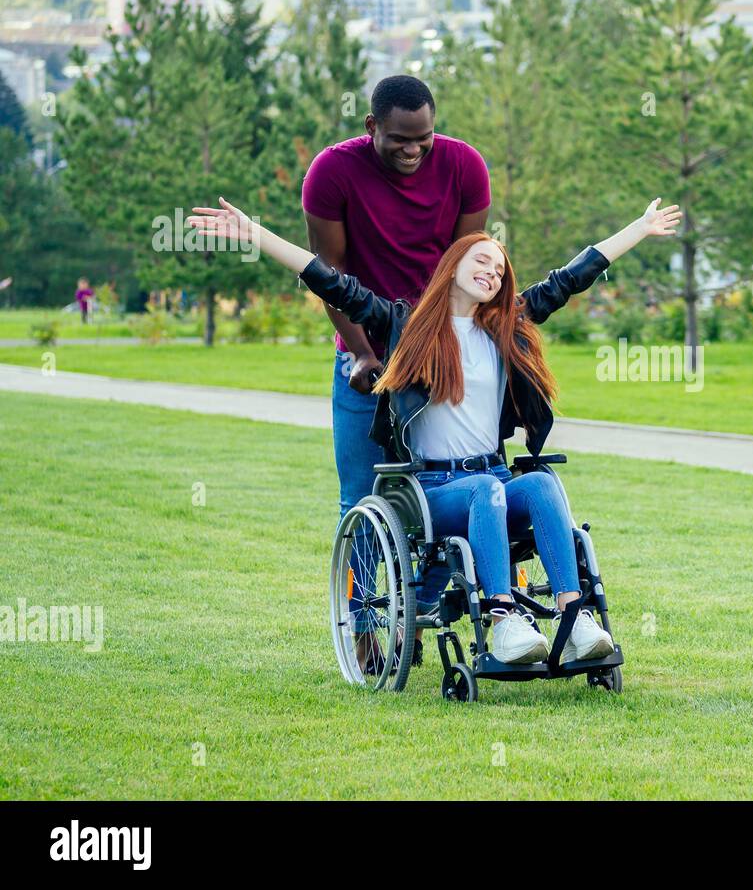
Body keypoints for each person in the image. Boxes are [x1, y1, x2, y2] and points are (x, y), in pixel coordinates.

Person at [188, 195, 682, 667]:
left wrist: (638, 230)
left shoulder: (506, 325)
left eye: (500, 270)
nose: (492, 272)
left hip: (491, 479)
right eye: (482, 261)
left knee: (540, 484)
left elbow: (570, 279)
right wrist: (254, 234)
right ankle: (504, 621)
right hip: (431, 491)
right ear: (455, 263)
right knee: (487, 488)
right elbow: (329, 281)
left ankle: (574, 620)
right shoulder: (404, 325)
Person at [302, 75, 492, 532]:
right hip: (366, 350)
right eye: (399, 140)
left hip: (437, 352)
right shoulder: (332, 172)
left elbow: (464, 268)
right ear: (372, 126)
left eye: (423, 139)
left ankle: (427, 601)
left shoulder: (465, 166)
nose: (412, 150)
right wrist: (363, 352)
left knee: (450, 488)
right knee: (360, 500)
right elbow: (330, 277)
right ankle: (361, 607)